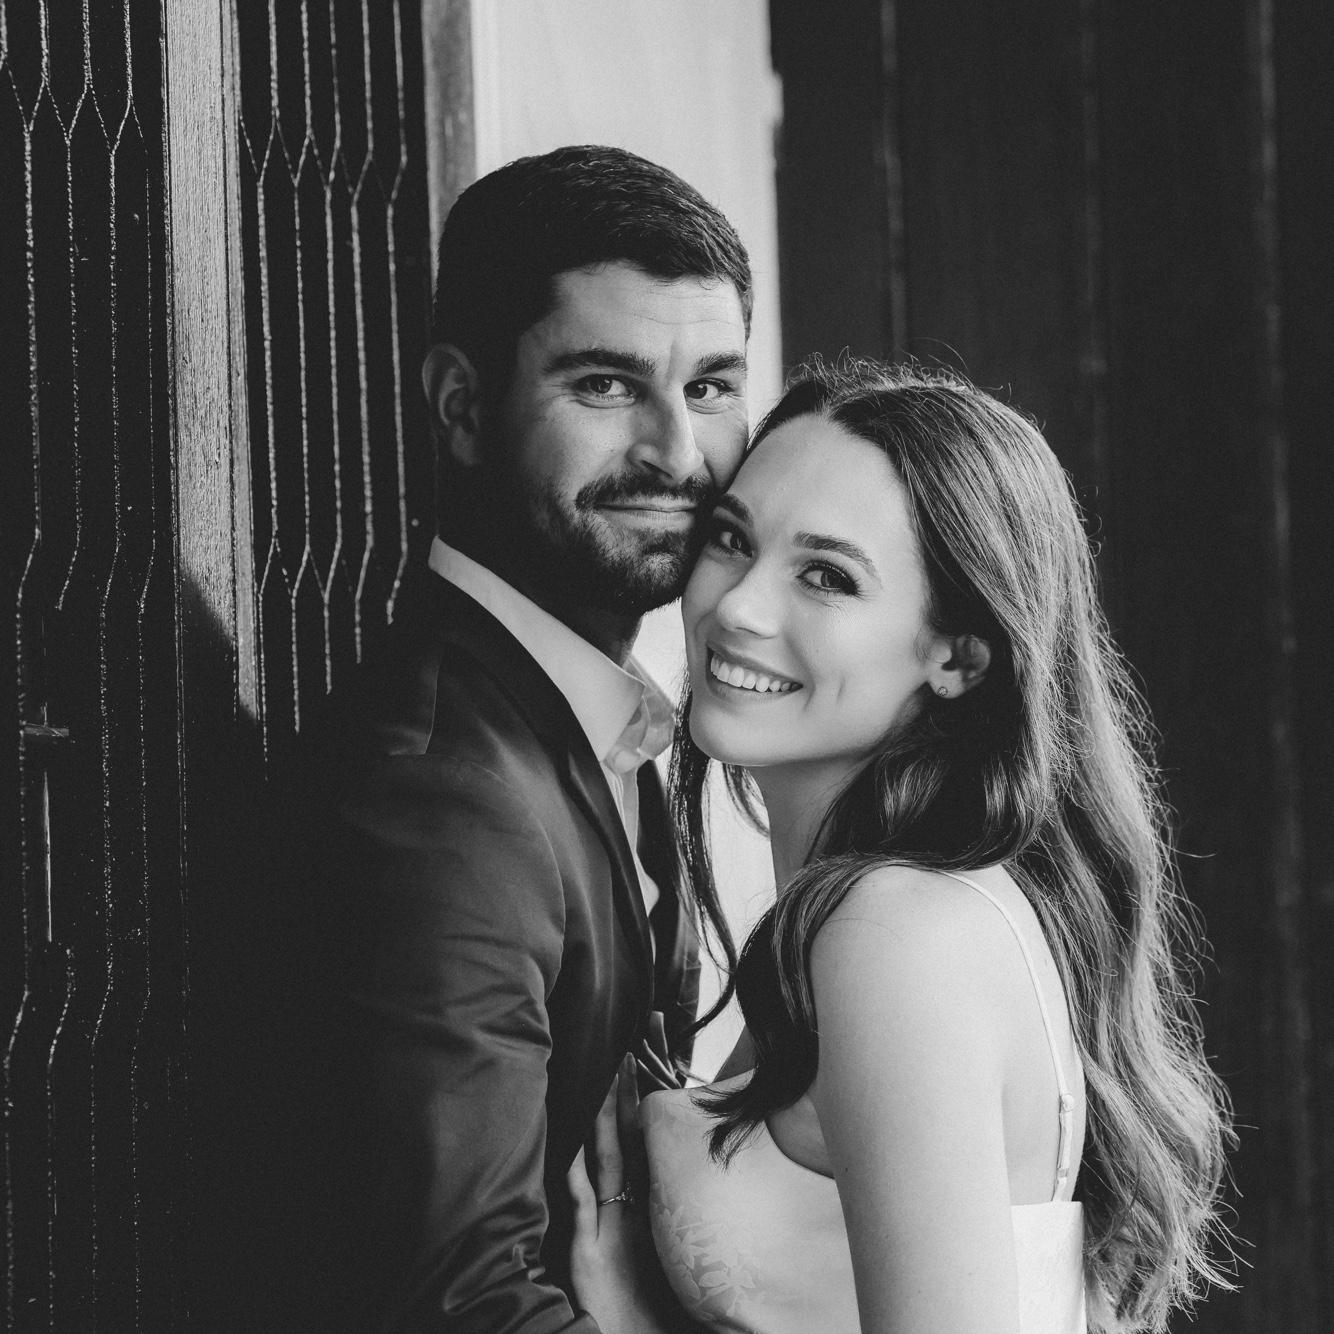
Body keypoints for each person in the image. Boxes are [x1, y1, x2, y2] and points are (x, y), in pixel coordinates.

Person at [568, 359, 1234, 1333]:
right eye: (732, 538)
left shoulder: (894, 936)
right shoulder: (889, 914)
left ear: (957, 655)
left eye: (826, 576)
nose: (738, 607)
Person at [291, 145, 752, 1332]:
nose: (676, 453)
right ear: (461, 405)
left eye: (709, 387)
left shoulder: (597, 719)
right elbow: (460, 1302)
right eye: (604, 385)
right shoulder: (442, 795)